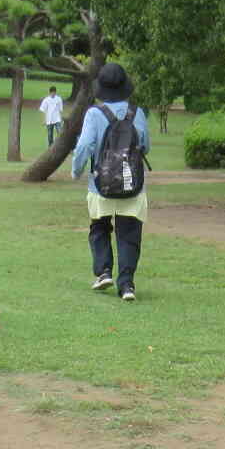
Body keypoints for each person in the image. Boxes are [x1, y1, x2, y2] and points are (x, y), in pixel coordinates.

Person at [70, 60, 150, 302]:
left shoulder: (94, 114)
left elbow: (84, 146)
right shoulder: (137, 113)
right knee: (129, 233)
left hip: (100, 184)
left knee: (99, 227)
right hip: (132, 183)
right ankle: (127, 285)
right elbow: (144, 145)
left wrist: (76, 170)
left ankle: (104, 271)